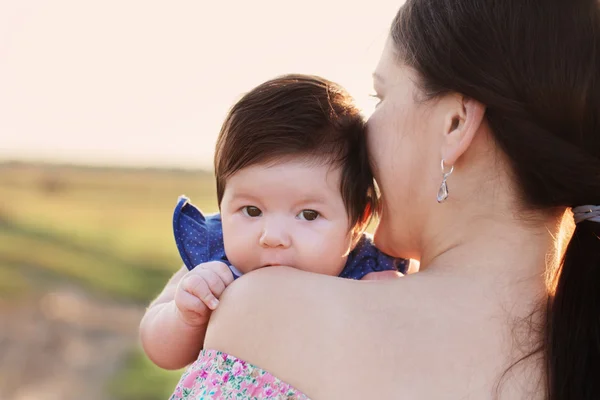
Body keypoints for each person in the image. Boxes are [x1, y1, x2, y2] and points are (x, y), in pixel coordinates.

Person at [166, 0, 600, 398]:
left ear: (454, 124)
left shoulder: (270, 310)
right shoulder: (579, 352)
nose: (363, 133)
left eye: (381, 96)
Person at [139, 74, 407, 373]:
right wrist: (185, 314)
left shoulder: (369, 275)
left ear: (358, 220)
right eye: (252, 210)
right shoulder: (215, 264)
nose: (272, 236)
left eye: (308, 215)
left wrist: (388, 306)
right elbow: (159, 349)